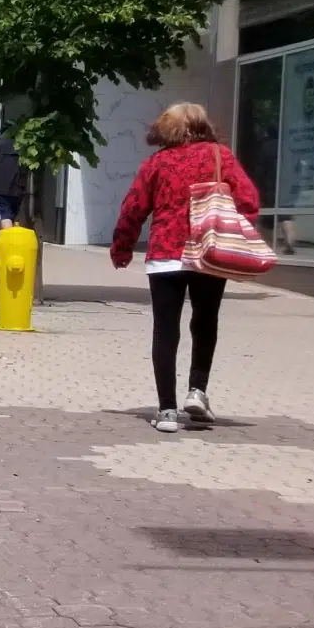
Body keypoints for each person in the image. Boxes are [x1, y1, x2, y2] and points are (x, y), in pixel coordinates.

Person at [109, 103, 260, 434]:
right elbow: (248, 200)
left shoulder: (156, 163)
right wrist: (234, 227)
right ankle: (197, 391)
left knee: (165, 330)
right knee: (205, 322)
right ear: (204, 126)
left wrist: (121, 247)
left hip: (166, 254)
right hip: (209, 252)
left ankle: (166, 410)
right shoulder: (221, 157)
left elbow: (133, 208)